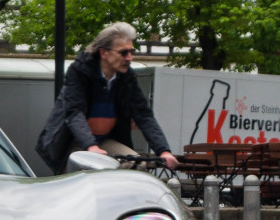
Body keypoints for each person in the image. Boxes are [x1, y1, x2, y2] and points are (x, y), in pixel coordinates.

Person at [36, 21, 178, 174]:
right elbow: (74, 112)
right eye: (124, 52)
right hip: (73, 141)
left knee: (137, 165)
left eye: (132, 51)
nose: (129, 58)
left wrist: (163, 151)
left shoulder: (126, 77)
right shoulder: (79, 71)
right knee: (84, 170)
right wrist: (91, 146)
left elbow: (143, 114)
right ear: (104, 53)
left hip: (104, 140)